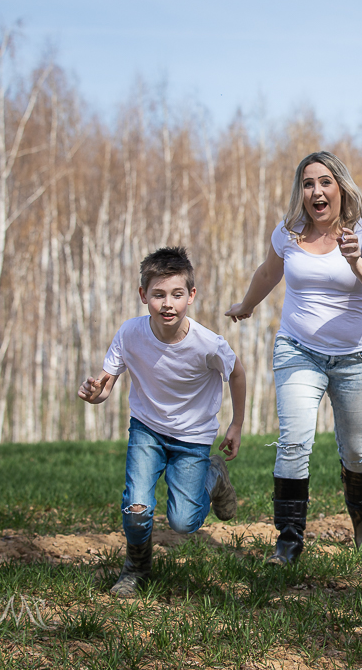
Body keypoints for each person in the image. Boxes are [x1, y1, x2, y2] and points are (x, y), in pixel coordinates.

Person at [226, 151, 362, 565]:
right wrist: (246, 305)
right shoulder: (288, 232)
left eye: (324, 182)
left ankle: (360, 513)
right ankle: (289, 540)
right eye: (307, 183)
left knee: (356, 449)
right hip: (298, 350)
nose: (316, 191)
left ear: (341, 188)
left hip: (356, 358)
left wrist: (354, 259)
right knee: (294, 442)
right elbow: (268, 273)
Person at [78, 246, 246, 597]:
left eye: (176, 294)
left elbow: (237, 373)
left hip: (192, 438)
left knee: (184, 522)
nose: (168, 304)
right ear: (143, 295)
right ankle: (136, 569)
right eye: (158, 295)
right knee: (136, 508)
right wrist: (95, 394)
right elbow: (106, 384)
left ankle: (213, 475)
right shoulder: (130, 334)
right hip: (147, 430)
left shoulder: (207, 344)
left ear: (191, 295)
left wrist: (236, 425)